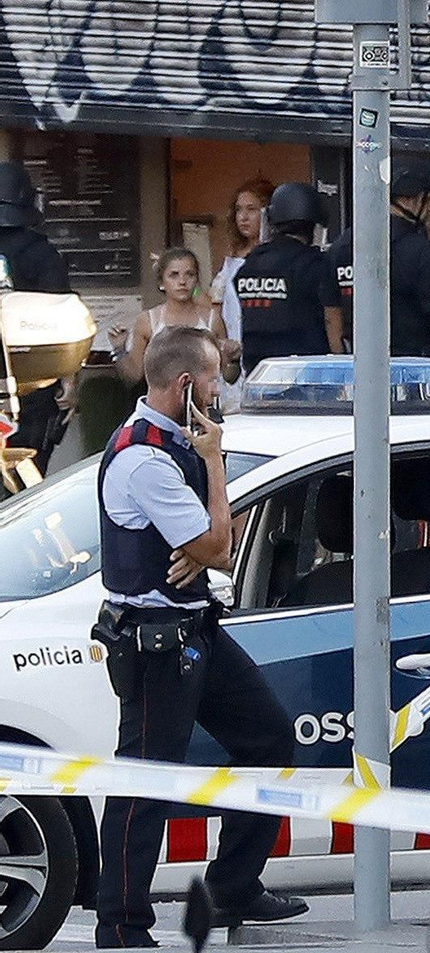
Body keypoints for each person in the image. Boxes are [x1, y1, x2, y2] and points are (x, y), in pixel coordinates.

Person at [93, 326, 304, 947]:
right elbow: (219, 546)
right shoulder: (144, 456)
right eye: (213, 378)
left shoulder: (178, 439)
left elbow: (218, 534)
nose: (219, 390)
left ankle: (232, 890)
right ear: (186, 383)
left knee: (268, 739)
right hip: (154, 640)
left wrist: (205, 539)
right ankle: (121, 924)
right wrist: (212, 472)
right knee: (147, 780)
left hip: (193, 625)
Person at [330, 159, 430, 358]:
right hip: (413, 363)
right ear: (415, 199)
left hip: (359, 364)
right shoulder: (423, 253)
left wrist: (342, 362)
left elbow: (332, 318)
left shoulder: (341, 247)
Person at [0, 159, 77, 470]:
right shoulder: (42, 254)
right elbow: (63, 319)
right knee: (28, 477)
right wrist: (69, 378)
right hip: (32, 383)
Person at [235, 182, 342, 374]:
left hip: (259, 375)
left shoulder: (250, 264)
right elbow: (332, 321)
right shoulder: (315, 264)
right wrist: (341, 364)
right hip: (307, 373)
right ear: (312, 225)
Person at [111, 249, 236, 386]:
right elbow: (134, 375)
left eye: (190, 274)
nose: (182, 281)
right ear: (161, 283)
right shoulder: (148, 321)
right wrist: (119, 350)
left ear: (196, 280)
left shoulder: (212, 319)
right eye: (174, 275)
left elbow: (229, 376)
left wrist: (233, 358)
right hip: (161, 397)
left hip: (204, 398)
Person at [210, 179, 273, 413]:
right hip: (232, 348)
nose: (243, 217)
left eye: (251, 209)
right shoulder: (231, 257)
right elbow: (214, 303)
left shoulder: (273, 256)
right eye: (239, 210)